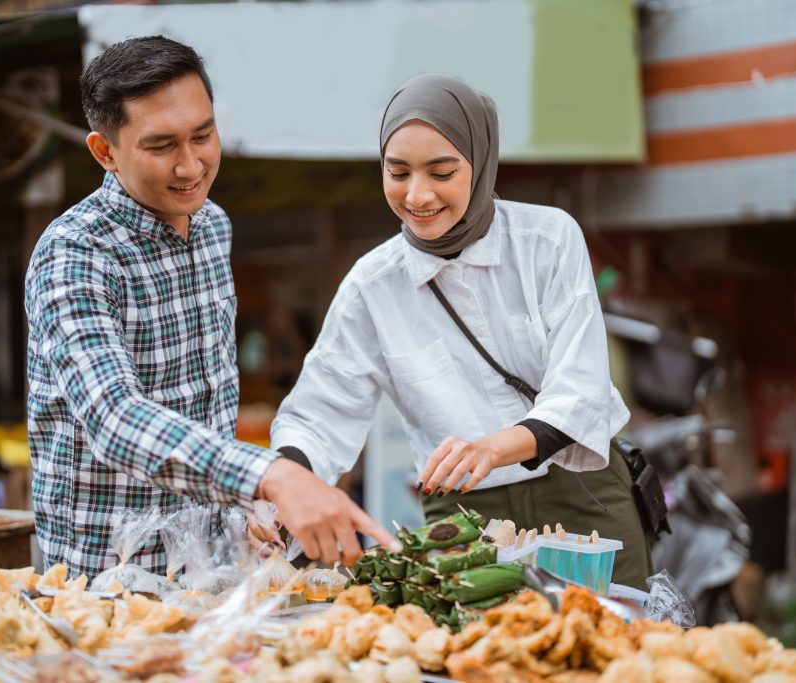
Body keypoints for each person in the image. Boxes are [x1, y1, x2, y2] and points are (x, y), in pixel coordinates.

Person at [24, 35, 398, 579]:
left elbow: (209, 402)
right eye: (161, 147)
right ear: (105, 152)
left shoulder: (211, 226)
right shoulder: (75, 253)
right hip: (109, 581)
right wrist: (269, 475)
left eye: (203, 135)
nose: (190, 165)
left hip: (211, 569)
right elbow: (113, 417)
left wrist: (247, 507)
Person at [270, 74, 651, 589]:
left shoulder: (548, 240)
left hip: (581, 496)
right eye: (397, 172)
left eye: (442, 172)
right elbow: (319, 413)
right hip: (465, 519)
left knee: (613, 655)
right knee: (477, 664)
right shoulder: (372, 285)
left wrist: (491, 449)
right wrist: (285, 483)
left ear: (481, 161)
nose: (417, 194)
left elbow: (579, 391)